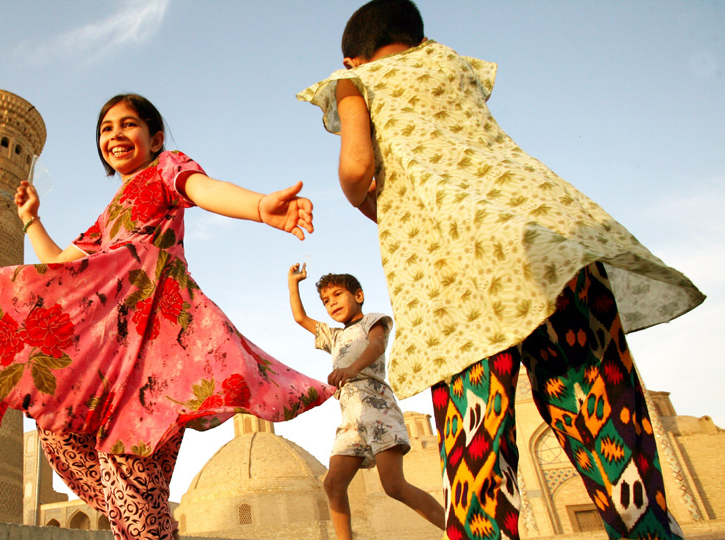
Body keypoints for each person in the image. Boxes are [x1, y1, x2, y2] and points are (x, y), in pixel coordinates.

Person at [296, 2, 705, 539]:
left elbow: (356, 168)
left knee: (478, 455)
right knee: (603, 421)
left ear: (351, 58)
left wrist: (367, 201)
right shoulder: (451, 64)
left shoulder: (353, 83)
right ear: (420, 41)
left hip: (457, 270)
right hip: (556, 242)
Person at [0, 93, 333, 540]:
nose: (115, 135)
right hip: (110, 360)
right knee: (62, 433)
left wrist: (260, 207)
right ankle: (152, 523)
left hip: (158, 359)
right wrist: (31, 219)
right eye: (106, 128)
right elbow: (60, 269)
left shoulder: (166, 170)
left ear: (155, 138)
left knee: (132, 480)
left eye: (127, 124)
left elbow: (204, 189)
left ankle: (149, 522)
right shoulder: (109, 216)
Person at [287, 263, 445, 539]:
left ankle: (459, 529)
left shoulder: (372, 321)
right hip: (351, 418)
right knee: (333, 484)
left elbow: (376, 346)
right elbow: (300, 318)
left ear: (358, 295)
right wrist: (293, 283)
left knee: (394, 486)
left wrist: (352, 369)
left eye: (337, 295)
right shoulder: (333, 337)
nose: (331, 303)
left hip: (377, 407)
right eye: (326, 300)